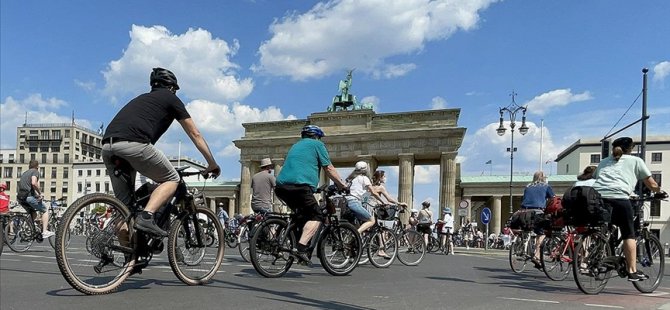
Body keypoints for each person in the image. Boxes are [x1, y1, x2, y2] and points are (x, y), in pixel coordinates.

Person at [102, 67, 220, 237]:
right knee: (172, 178)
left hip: (107, 147)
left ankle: (131, 261)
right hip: (133, 144)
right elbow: (195, 134)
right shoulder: (171, 99)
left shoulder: (142, 99)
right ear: (172, 88)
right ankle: (147, 215)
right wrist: (212, 163)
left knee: (125, 210)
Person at [592, 137, 667, 281]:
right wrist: (659, 192)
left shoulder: (603, 162)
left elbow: (597, 178)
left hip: (598, 198)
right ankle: (632, 270)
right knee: (628, 234)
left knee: (607, 226)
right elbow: (650, 183)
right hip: (620, 198)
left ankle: (604, 253)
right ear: (630, 149)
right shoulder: (636, 161)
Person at [275, 125, 347, 264]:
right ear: (317, 136)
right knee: (317, 216)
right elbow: (328, 168)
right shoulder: (317, 145)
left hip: (281, 187)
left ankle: (294, 245)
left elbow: (299, 166)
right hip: (300, 187)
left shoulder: (295, 145)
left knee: (301, 216)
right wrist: (341, 184)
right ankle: (301, 249)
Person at [520, 170, 555, 268]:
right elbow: (553, 198)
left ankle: (522, 247)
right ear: (543, 178)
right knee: (542, 233)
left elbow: (524, 199)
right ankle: (537, 254)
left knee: (527, 229)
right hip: (538, 212)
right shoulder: (546, 186)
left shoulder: (528, 186)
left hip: (525, 212)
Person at [16, 160, 54, 238]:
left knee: (33, 213)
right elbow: (34, 183)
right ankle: (44, 231)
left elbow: (26, 187)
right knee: (45, 210)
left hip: (21, 198)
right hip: (28, 197)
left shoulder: (25, 173)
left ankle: (26, 229)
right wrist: (40, 193)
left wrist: (36, 195)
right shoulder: (35, 171)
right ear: (37, 166)